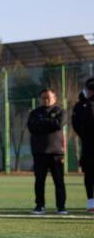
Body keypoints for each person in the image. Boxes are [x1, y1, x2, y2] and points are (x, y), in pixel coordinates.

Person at [27, 89, 67, 215]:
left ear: (54, 97)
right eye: (43, 97)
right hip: (39, 152)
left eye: (48, 97)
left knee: (59, 181)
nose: (46, 99)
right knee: (39, 181)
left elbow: (58, 124)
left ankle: (61, 206)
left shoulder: (60, 111)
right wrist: (49, 123)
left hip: (56, 152)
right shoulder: (34, 113)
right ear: (40, 99)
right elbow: (32, 127)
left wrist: (43, 122)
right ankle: (40, 205)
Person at [72, 78, 94, 214]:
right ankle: (91, 202)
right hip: (88, 145)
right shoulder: (80, 105)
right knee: (89, 173)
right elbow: (76, 124)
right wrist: (85, 136)